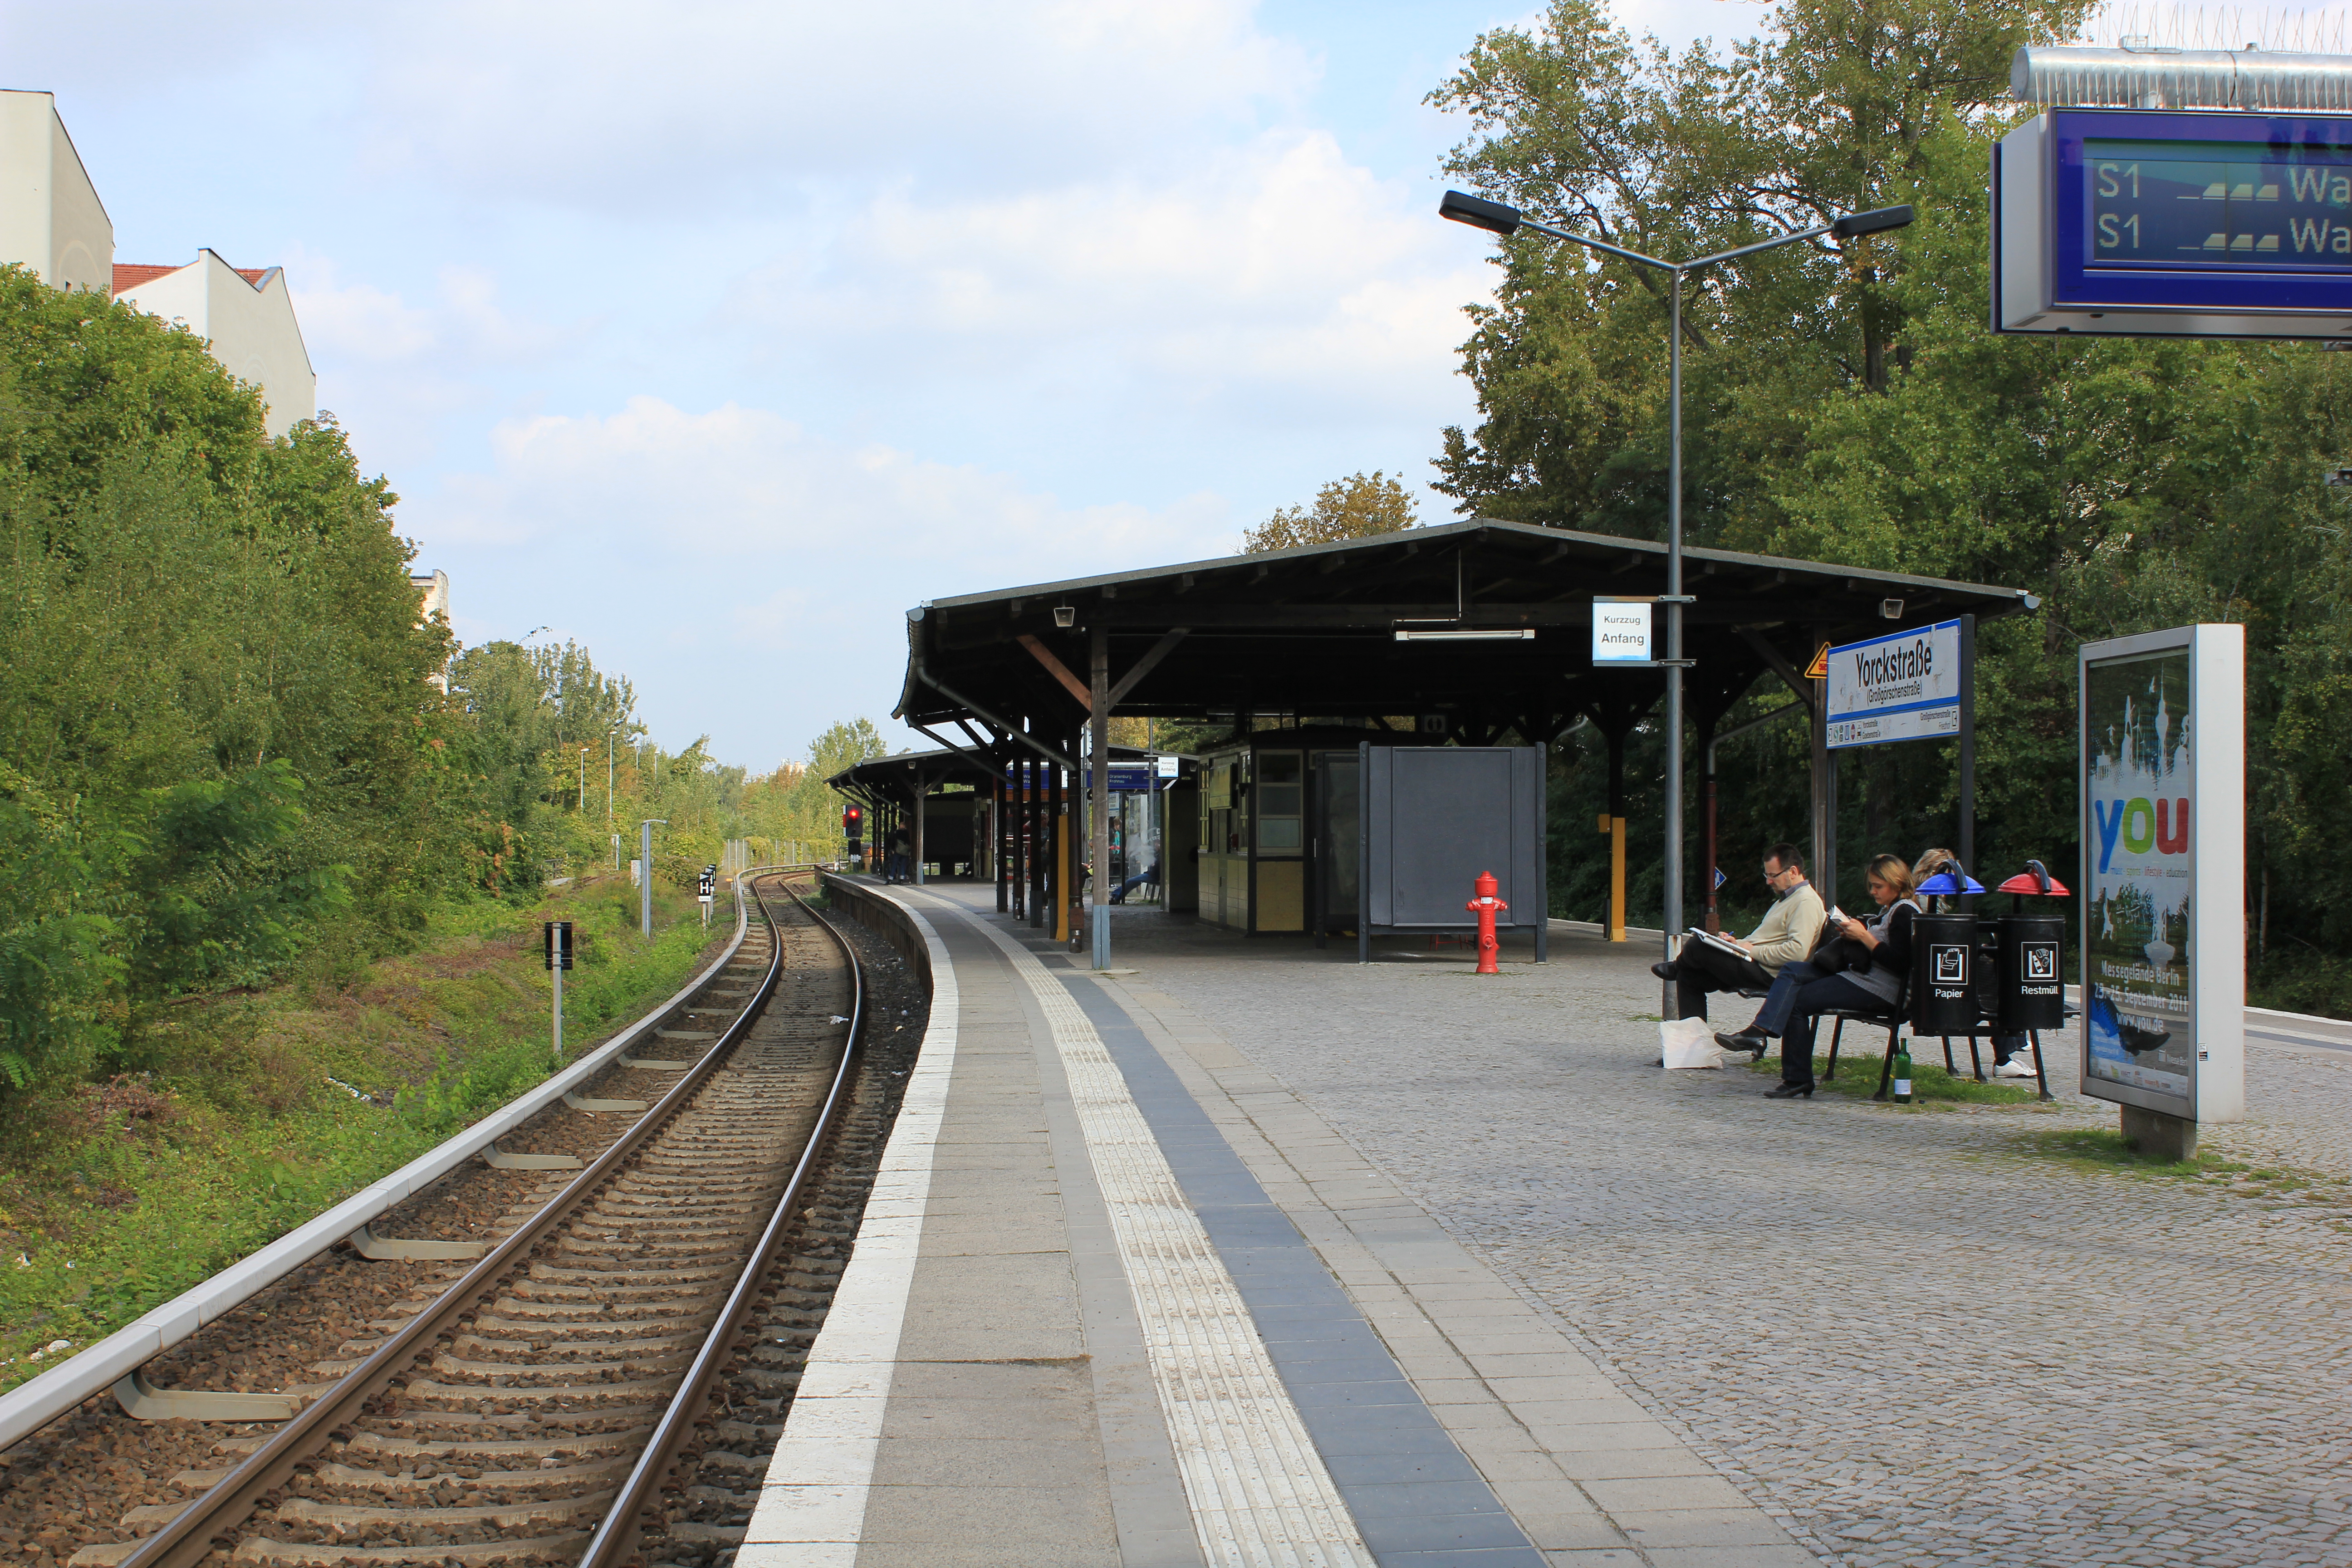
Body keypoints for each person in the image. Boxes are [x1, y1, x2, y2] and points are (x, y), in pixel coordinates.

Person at [1733, 853, 1923, 1098]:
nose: (1873, 892)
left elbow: (1902, 963)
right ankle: (1760, 1031)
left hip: (1881, 989)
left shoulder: (1905, 912)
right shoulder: (1891, 910)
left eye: (1878, 886)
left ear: (1897, 884)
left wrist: (1864, 937)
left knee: (1797, 1003)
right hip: (1862, 978)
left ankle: (1796, 1078)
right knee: (1792, 970)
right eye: (1871, 886)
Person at [1651, 843, 1825, 1022]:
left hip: (1771, 974)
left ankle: (1676, 966)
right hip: (1756, 964)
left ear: (1793, 872)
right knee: (1689, 976)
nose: (1769, 881)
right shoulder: (1787, 899)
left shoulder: (1806, 901)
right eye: (1767, 875)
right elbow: (1763, 940)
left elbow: (1797, 952)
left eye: (1774, 876)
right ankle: (1693, 1044)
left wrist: (1751, 951)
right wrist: (1735, 944)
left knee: (1698, 944)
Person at [1911, 846, 2038, 1078]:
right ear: (1934, 874)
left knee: (1991, 965)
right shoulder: (1925, 901)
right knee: (1993, 969)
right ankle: (2010, 1042)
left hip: (1928, 973)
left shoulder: (1920, 899)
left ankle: (2010, 1044)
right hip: (1933, 980)